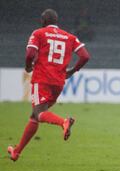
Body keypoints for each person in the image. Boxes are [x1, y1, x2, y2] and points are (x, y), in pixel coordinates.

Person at [7, 9, 90, 161]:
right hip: (58, 82)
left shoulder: (39, 33)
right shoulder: (69, 37)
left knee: (39, 113)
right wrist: (72, 71)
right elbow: (85, 56)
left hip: (42, 79)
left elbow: (30, 54)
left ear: (43, 21)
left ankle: (63, 122)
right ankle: (17, 151)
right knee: (35, 116)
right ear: (56, 21)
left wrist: (28, 67)